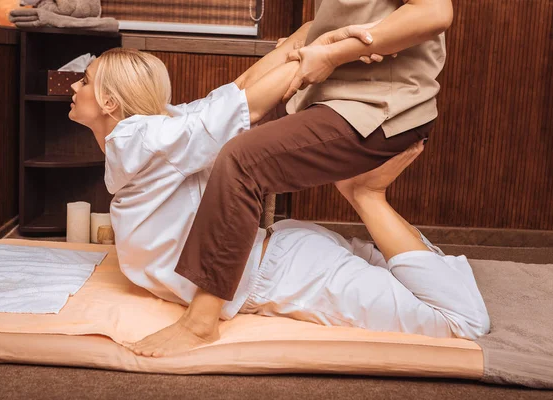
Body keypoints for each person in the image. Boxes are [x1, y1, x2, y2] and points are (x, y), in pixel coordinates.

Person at [67, 38, 489, 360]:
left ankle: (368, 196)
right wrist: (307, 40)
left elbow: (238, 105)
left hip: (286, 274)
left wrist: (326, 51)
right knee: (407, 278)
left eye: (84, 80)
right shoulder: (161, 133)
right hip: (283, 255)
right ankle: (369, 199)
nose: (73, 84)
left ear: (109, 102)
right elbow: (235, 92)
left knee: (461, 321)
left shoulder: (135, 137)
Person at [144, 0, 459, 356]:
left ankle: (200, 324)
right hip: (338, 89)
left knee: (242, 161)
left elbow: (434, 13)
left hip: (384, 103)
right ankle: (234, 265)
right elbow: (343, 17)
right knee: (236, 123)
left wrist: (336, 53)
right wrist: (256, 75)